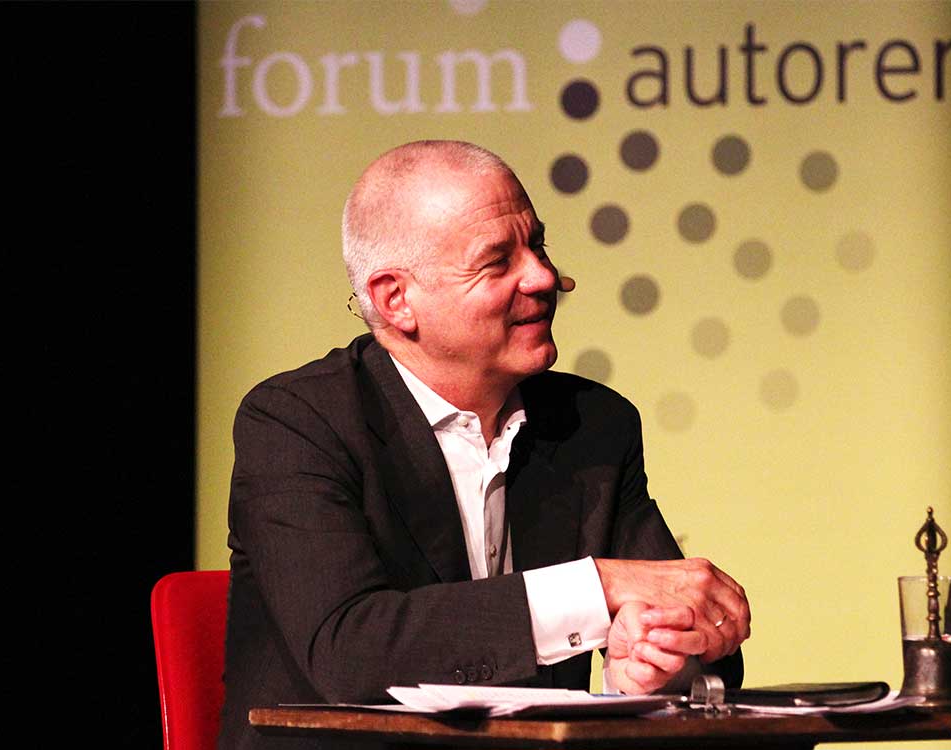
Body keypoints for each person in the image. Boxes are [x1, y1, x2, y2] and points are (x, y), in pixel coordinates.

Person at [218, 140, 750, 749]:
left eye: (538, 246)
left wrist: (657, 669)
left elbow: (682, 621)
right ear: (397, 300)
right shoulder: (297, 422)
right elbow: (350, 651)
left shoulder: (593, 426)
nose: (544, 277)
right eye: (497, 262)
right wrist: (596, 587)